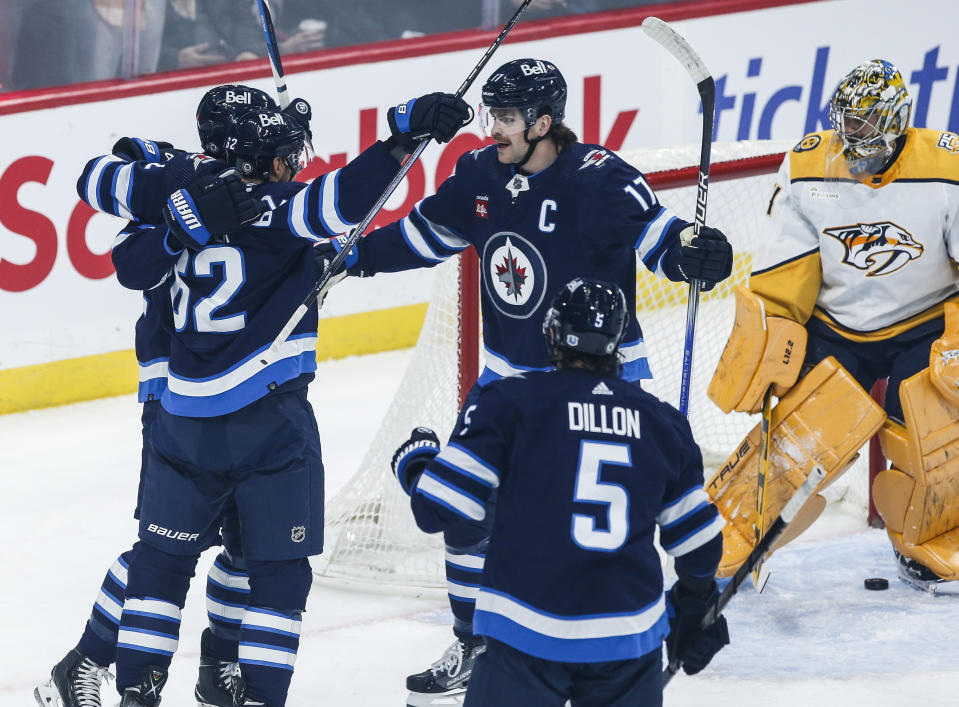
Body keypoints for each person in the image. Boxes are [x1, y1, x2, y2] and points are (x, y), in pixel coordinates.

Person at [315, 57, 733, 703]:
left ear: (543, 121)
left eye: (506, 117)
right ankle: (473, 637)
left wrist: (691, 252)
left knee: (576, 510)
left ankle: (599, 629)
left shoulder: (600, 179)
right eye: (492, 114)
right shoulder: (480, 172)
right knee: (465, 514)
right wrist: (358, 255)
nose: (493, 128)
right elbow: (430, 232)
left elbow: (658, 239)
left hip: (600, 375)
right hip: (510, 375)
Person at [73, 90, 471, 706]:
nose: (292, 162)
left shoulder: (181, 181)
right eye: (282, 153)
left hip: (183, 404)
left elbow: (106, 202)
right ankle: (100, 665)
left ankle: (159, 686)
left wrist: (178, 213)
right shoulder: (279, 209)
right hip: (262, 413)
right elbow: (343, 199)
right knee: (264, 569)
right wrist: (401, 136)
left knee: (174, 559)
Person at [34, 84, 286, 707]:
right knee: (169, 543)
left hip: (252, 384)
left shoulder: (273, 194)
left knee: (251, 539)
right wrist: (174, 200)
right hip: (177, 389)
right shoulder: (176, 176)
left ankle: (218, 667)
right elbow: (97, 179)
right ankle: (83, 662)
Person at [390, 277, 729, 706]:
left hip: (525, 636)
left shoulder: (509, 403)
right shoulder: (661, 422)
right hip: (626, 642)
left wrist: (416, 463)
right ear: (619, 342)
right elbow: (699, 545)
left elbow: (439, 508)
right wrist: (695, 604)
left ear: (551, 334)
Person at [707, 59, 959, 592]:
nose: (853, 134)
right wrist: (773, 329)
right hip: (836, 323)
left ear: (897, 121)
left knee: (929, 437)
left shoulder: (946, 166)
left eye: (866, 124)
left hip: (925, 322)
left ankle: (930, 540)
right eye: (847, 121)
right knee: (797, 440)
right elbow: (785, 264)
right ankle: (736, 536)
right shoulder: (808, 166)